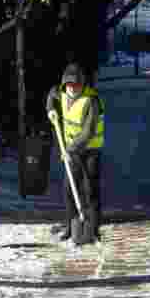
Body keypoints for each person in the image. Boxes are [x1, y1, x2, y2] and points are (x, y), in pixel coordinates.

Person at [46, 63, 105, 245]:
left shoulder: (91, 101)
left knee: (89, 189)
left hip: (90, 150)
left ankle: (93, 229)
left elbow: (88, 132)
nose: (73, 88)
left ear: (82, 84)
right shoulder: (61, 93)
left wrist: (69, 149)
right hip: (71, 151)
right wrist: (51, 110)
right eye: (69, 85)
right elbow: (51, 95)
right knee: (69, 189)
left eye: (76, 85)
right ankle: (70, 226)